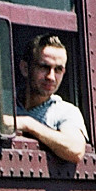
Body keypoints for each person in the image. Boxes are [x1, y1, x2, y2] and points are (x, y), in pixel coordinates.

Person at [14, 33, 87, 164]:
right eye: (44, 67)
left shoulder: (65, 111)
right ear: (25, 68)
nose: (51, 77)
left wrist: (28, 124)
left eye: (58, 69)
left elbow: (76, 150)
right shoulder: (4, 104)